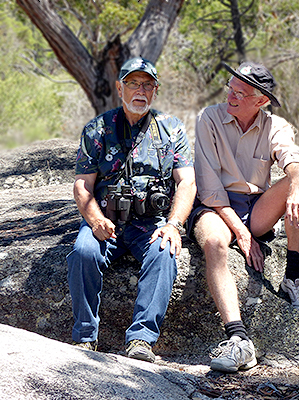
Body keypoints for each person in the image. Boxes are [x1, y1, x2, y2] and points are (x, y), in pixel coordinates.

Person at [188, 61, 299, 372]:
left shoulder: (276, 125)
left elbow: (291, 155)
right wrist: (242, 233)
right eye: (230, 88)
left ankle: (294, 278)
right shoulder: (209, 118)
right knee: (215, 243)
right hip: (214, 206)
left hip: (256, 207)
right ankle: (238, 339)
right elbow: (209, 186)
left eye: (240, 93)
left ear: (260, 100)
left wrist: (297, 186)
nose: (230, 96)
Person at [67, 57, 196, 362]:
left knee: (165, 253)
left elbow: (187, 183)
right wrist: (95, 219)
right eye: (133, 83)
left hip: (149, 222)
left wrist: (174, 224)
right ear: (119, 87)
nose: (141, 90)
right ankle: (85, 337)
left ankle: (141, 340)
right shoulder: (98, 129)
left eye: (148, 84)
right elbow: (82, 185)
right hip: (106, 221)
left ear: (156, 89)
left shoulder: (172, 129)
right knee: (83, 251)